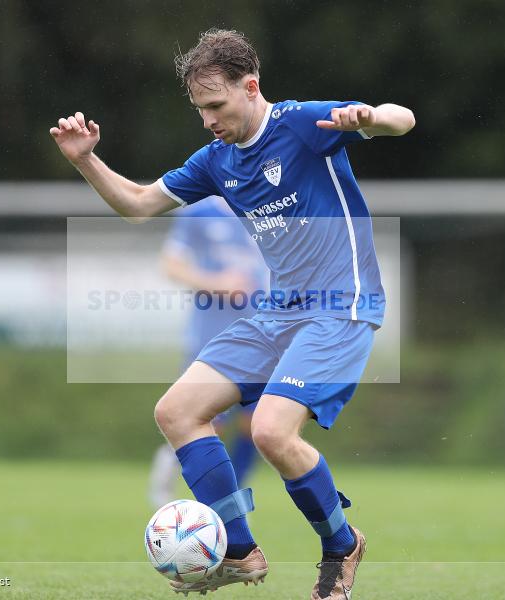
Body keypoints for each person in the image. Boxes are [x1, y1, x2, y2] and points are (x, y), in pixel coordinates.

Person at [50, 29, 414, 599]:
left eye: (216, 106)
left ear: (251, 88)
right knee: (176, 412)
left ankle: (341, 545)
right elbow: (139, 205)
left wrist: (369, 117)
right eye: (200, 110)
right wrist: (86, 160)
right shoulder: (215, 160)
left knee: (270, 430)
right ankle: (239, 552)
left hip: (341, 307)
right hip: (279, 311)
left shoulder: (302, 124)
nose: (208, 121)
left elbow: (404, 119)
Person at [148, 196, 264, 508]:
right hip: (213, 336)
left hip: (263, 337)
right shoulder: (200, 212)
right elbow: (171, 264)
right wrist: (217, 282)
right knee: (209, 422)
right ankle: (170, 464)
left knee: (258, 425)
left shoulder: (269, 206)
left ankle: (232, 501)